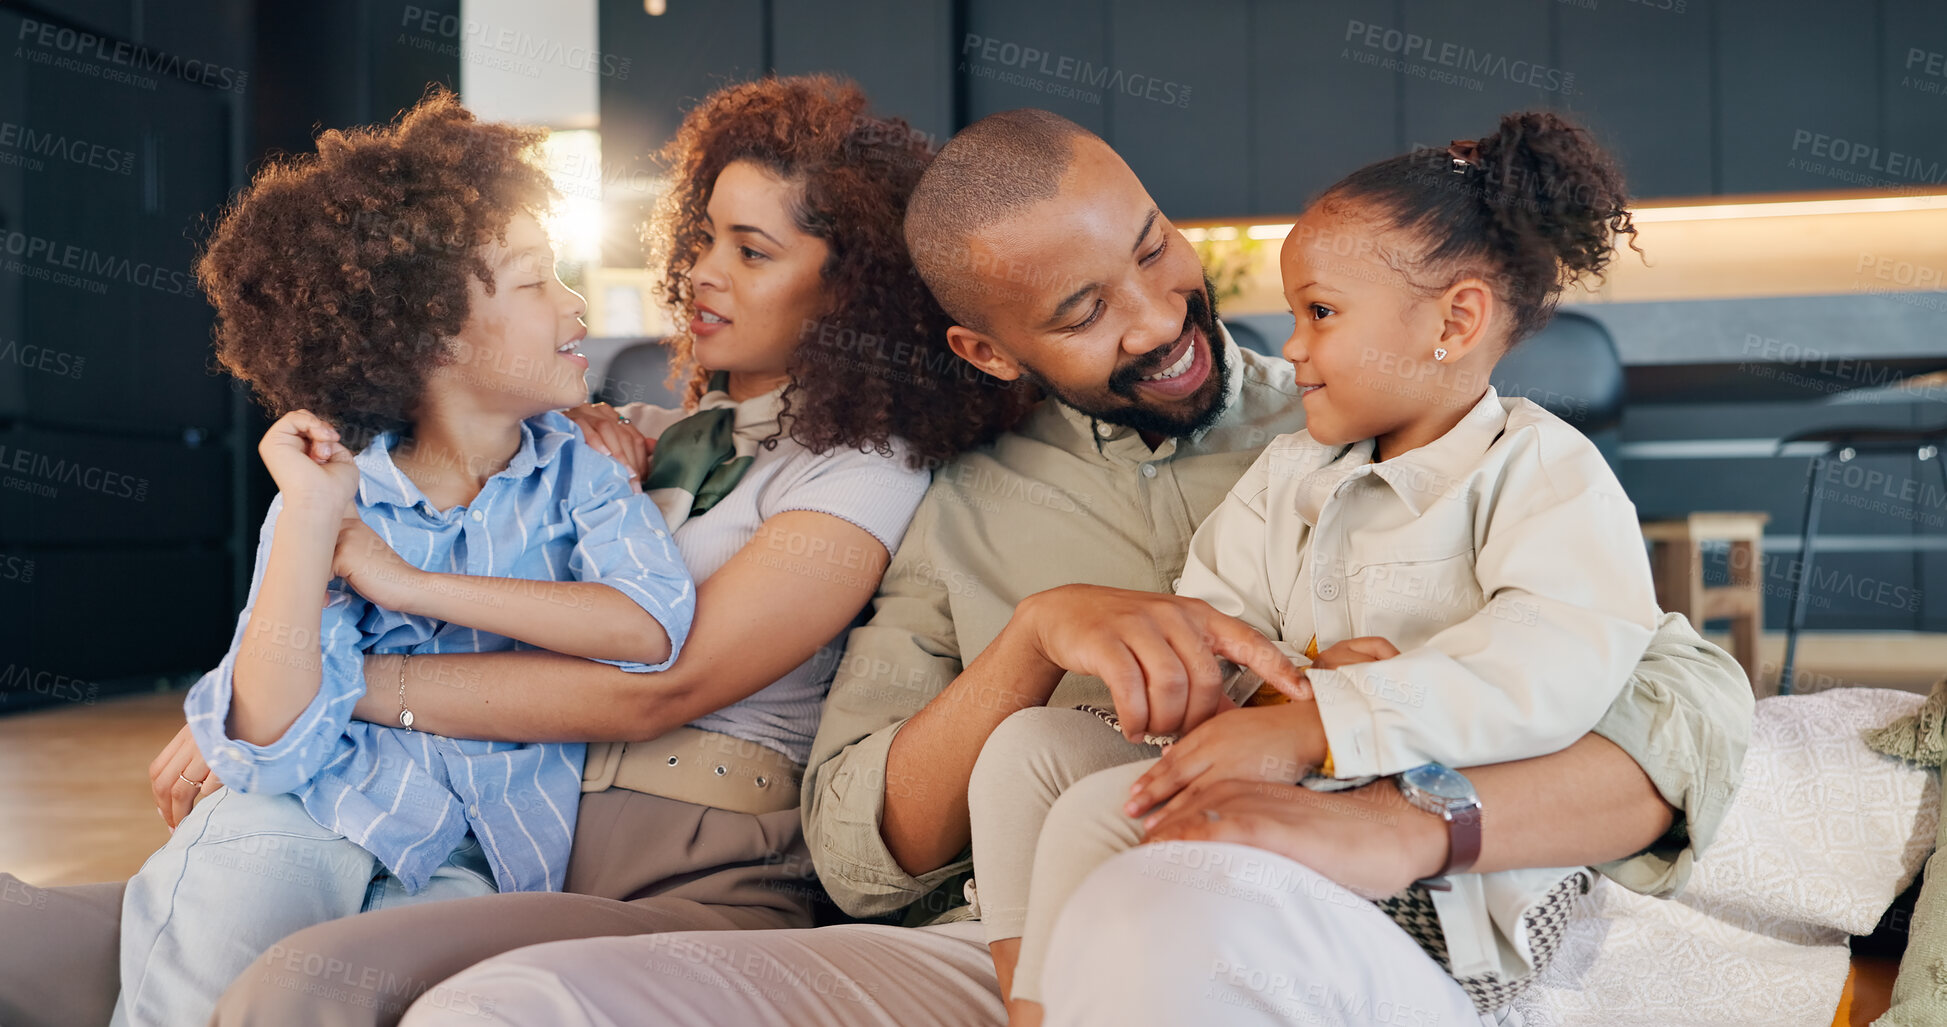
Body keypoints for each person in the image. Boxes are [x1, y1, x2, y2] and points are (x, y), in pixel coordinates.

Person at [395, 108, 1752, 1027]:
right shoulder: (946, 496)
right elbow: (856, 848)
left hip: (1283, 906)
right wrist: (1030, 637)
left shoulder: (1365, 413)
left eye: (1153, 249)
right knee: (496, 1008)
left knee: (1161, 921)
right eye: (1081, 311)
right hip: (993, 945)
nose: (1163, 320)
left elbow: (1673, 691)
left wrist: (1385, 795)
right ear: (985, 348)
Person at [0, 76, 1030, 1027]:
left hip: (689, 875)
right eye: (705, 235)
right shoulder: (616, 441)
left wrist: (322, 689)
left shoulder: (863, 470)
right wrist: (254, 701)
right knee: (43, 940)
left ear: (854, 293)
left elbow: (657, 683)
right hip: (488, 834)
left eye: (752, 252)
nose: (702, 273)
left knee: (297, 984)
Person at [971, 110, 1663, 1025]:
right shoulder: (1288, 475)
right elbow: (1214, 627)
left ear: (1453, 320)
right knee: (1024, 751)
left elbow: (1550, 674)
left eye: (1321, 314)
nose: (1290, 345)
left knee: (1111, 813)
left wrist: (1331, 718)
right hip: (1295, 782)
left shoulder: (1542, 473)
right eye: (1296, 314)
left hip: (1454, 882)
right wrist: (1260, 695)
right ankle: (1043, 1005)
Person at [109, 89, 698, 1027]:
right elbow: (266, 738)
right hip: (302, 812)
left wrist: (409, 584)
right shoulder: (332, 492)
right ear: (433, 332)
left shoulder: (583, 468)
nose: (576, 303)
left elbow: (649, 628)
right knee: (210, 937)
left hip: (478, 852)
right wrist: (308, 521)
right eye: (537, 280)